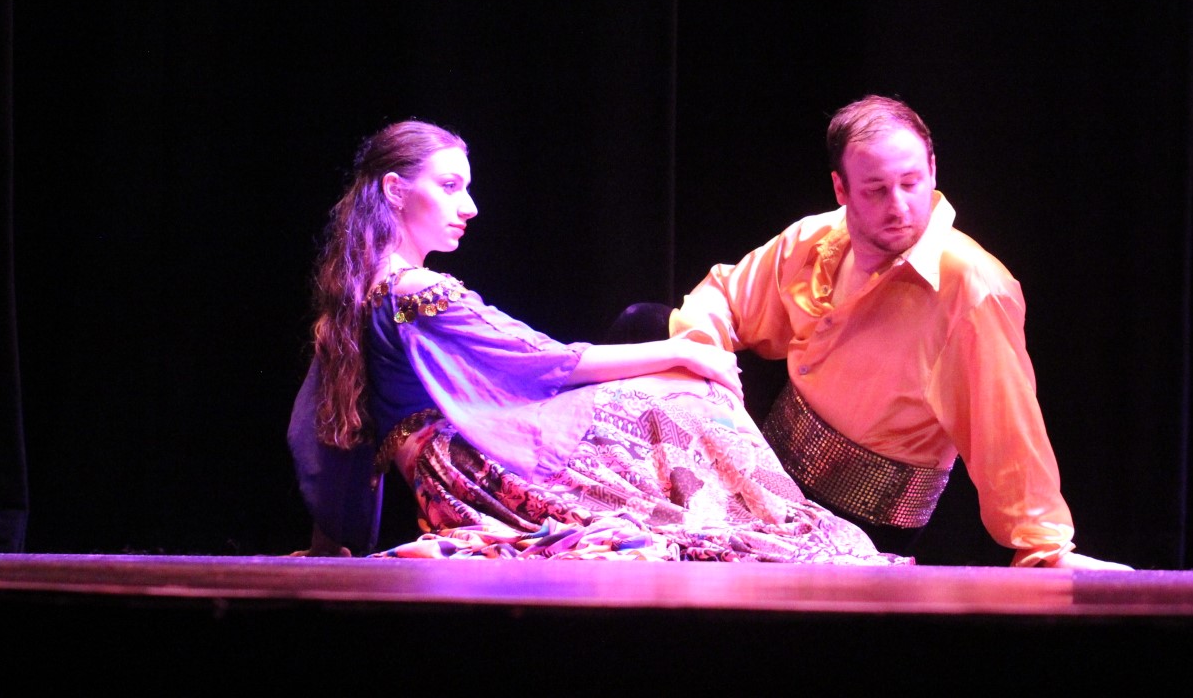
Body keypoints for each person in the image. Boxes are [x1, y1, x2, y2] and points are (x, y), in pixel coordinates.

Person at [288, 119, 904, 564]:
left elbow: (318, 436)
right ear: (395, 190)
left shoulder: (359, 293)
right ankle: (787, 527)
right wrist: (682, 351)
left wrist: (333, 537)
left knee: (680, 390)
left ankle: (771, 522)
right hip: (483, 466)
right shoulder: (415, 292)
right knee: (688, 394)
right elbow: (543, 361)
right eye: (449, 187)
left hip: (457, 470)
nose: (469, 206)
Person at [666, 96, 1128, 569]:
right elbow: (723, 295)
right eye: (876, 190)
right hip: (763, 472)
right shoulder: (818, 239)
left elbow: (1007, 426)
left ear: (933, 169)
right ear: (842, 188)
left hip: (860, 520)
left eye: (911, 183)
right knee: (648, 330)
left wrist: (1044, 550)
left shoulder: (972, 287)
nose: (899, 207)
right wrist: (700, 358)